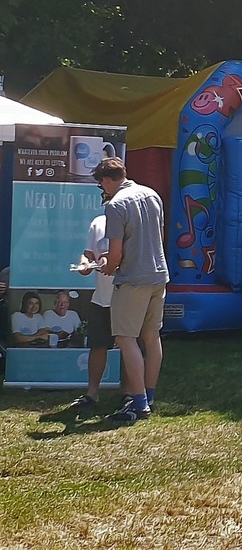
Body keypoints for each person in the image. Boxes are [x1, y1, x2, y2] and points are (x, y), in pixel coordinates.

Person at [96, 157, 169, 422]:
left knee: (126, 338)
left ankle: (138, 404)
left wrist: (107, 266)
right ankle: (149, 396)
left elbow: (116, 253)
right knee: (152, 337)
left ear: (106, 180)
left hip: (133, 279)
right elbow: (158, 238)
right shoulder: (152, 194)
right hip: (159, 275)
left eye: (101, 185)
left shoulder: (116, 205)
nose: (103, 190)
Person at [69, 191, 119, 410]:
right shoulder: (98, 223)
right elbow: (88, 254)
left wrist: (112, 261)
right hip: (101, 298)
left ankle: (132, 394)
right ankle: (92, 393)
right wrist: (84, 264)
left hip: (124, 296)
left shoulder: (129, 223)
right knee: (98, 345)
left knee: (129, 346)